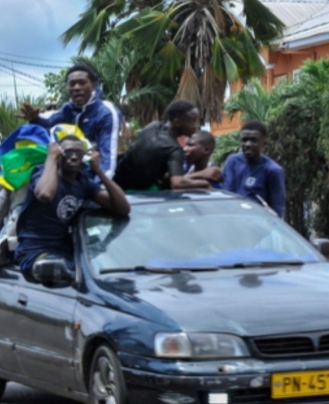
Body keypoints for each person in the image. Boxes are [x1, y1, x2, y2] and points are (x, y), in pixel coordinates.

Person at [14, 133, 130, 280]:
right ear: (59, 154)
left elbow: (123, 208)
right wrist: (51, 157)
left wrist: (98, 171)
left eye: (79, 153)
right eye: (68, 152)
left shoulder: (83, 183)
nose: (74, 157)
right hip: (35, 252)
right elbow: (45, 194)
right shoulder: (42, 175)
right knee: (68, 276)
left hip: (64, 251)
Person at [17, 64, 122, 177]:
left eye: (82, 83)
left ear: (93, 85)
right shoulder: (68, 109)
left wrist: (99, 187)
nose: (76, 87)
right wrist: (35, 119)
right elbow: (47, 124)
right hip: (68, 170)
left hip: (93, 174)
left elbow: (108, 158)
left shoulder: (106, 113)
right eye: (72, 84)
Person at [112, 99, 212, 191]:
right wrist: (204, 184)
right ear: (177, 122)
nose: (196, 126)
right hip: (132, 192)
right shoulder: (174, 149)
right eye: (193, 121)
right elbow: (177, 184)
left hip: (114, 181)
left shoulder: (152, 126)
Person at [222, 120, 286, 216]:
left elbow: (277, 209)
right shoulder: (232, 162)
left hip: (256, 225)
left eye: (253, 140)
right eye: (244, 140)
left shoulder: (273, 170)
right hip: (231, 220)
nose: (248, 144)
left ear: (264, 144)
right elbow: (225, 193)